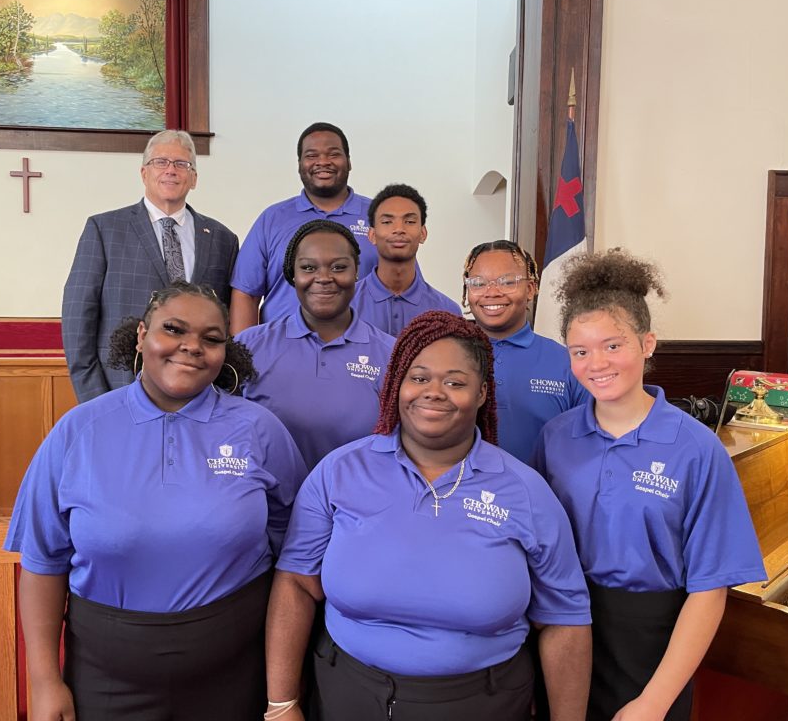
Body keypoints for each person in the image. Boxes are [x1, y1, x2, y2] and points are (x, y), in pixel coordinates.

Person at [264, 311, 592, 721]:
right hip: (348, 692)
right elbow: (296, 582)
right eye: (418, 378)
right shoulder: (339, 472)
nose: (433, 392)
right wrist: (281, 703)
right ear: (395, 384)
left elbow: (565, 619)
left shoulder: (525, 490)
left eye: (456, 382)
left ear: (483, 394)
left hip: (483, 700)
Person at [7, 282, 306, 721]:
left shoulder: (260, 430)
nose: (191, 347)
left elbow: (294, 554)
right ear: (142, 335)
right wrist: (44, 682)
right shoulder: (78, 432)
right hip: (106, 677)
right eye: (174, 329)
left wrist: (284, 694)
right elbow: (42, 563)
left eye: (211, 338)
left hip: (235, 672)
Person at [531, 249, 766, 721]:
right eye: (580, 351)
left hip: (653, 646)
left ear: (647, 343)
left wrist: (654, 703)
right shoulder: (555, 438)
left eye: (613, 345)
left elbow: (708, 589)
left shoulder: (697, 449)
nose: (597, 363)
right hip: (563, 631)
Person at [62, 129, 240, 403]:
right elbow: (78, 320)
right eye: (161, 162)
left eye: (182, 164)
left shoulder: (222, 239)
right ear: (144, 173)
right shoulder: (104, 229)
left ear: (193, 179)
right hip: (119, 389)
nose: (171, 170)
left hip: (199, 395)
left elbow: (226, 324)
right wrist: (95, 400)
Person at [237, 219, 395, 470]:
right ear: (293, 274)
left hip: (353, 506)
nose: (323, 278)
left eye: (338, 267)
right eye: (308, 267)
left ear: (356, 271)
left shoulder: (391, 354)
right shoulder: (247, 347)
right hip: (269, 505)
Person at [229, 122, 378, 333]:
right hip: (280, 352)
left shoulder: (379, 216)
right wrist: (243, 357)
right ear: (300, 164)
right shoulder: (272, 219)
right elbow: (246, 293)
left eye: (333, 154)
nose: (323, 162)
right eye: (311, 155)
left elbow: (400, 286)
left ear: (349, 162)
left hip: (360, 355)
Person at [463, 240, 588, 464]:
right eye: (478, 283)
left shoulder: (566, 362)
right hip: (460, 494)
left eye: (507, 282)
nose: (491, 293)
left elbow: (589, 445)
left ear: (530, 289)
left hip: (544, 494)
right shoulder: (449, 355)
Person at [350, 183, 460, 336]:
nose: (399, 229)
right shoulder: (345, 304)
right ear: (372, 235)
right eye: (387, 222)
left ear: (423, 233)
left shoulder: (448, 311)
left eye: (409, 221)